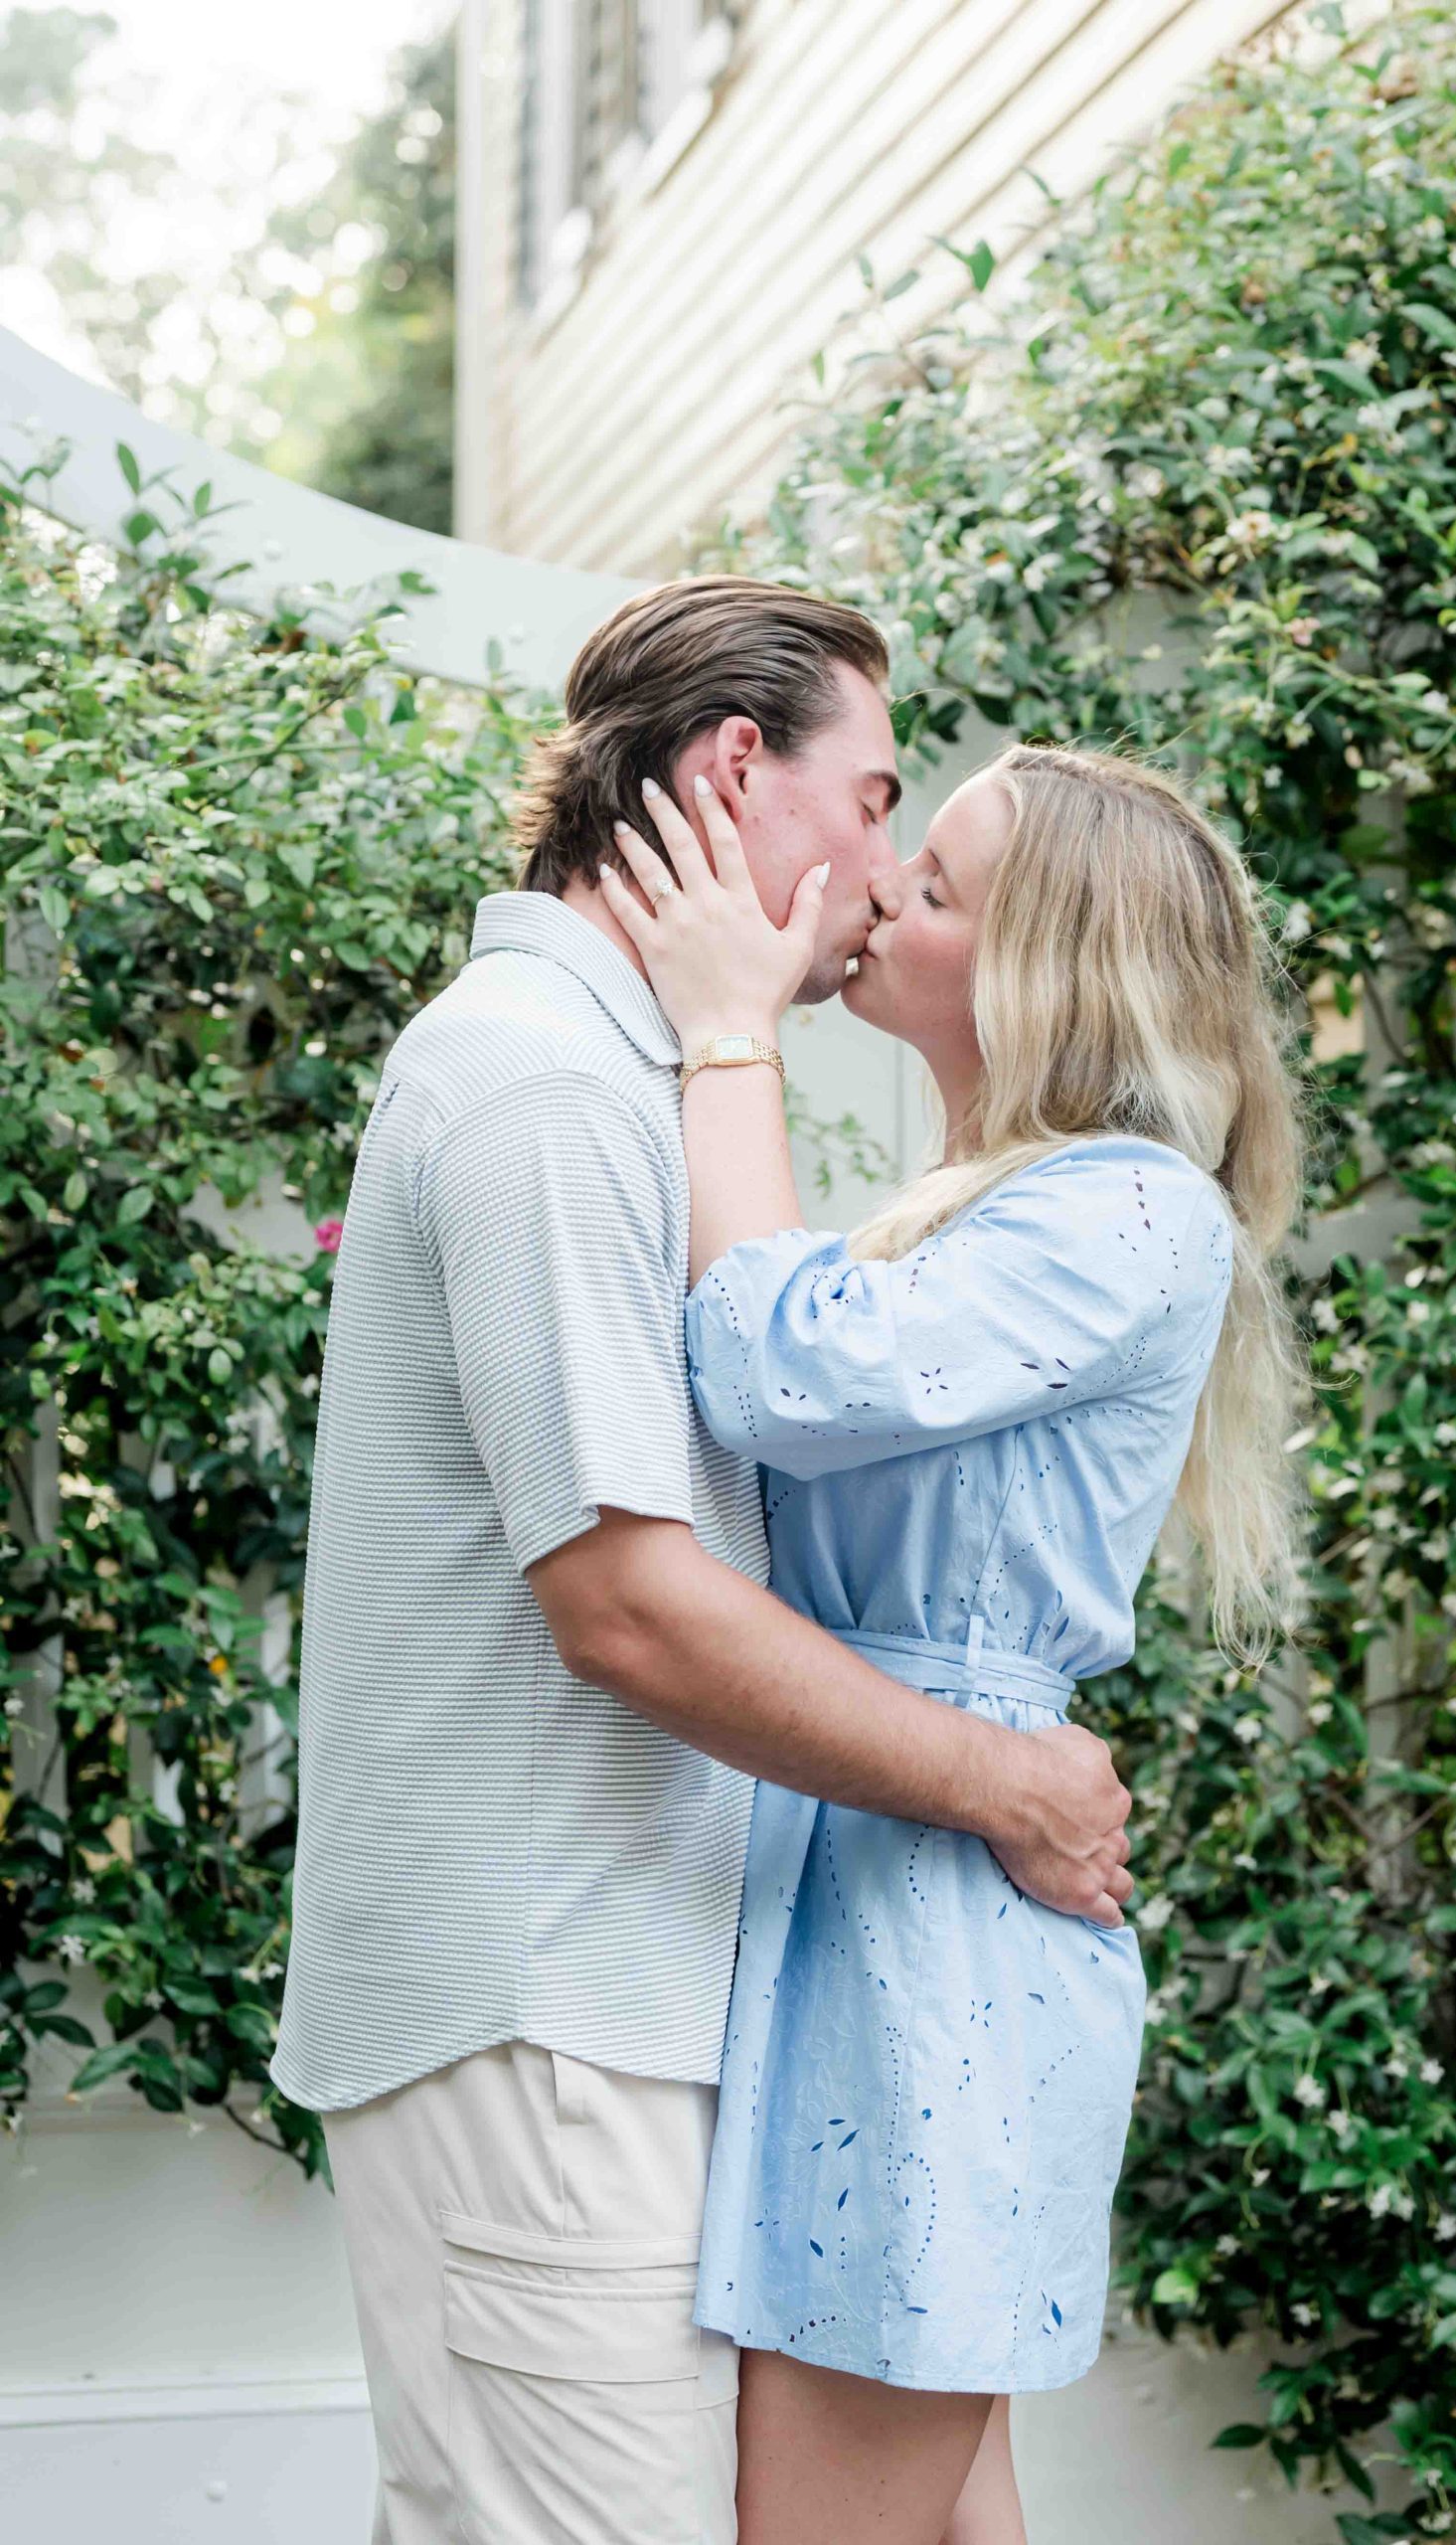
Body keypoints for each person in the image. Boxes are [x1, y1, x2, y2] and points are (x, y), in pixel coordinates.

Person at [268, 580, 1137, 2545]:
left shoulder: (634, 1073)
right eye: (874, 790)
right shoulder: (543, 1079)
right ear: (738, 767)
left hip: (635, 2002)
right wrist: (1004, 1776)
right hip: (540, 2011)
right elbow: (628, 1600)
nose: (889, 858)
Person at [595, 740, 1305, 2545]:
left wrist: (727, 1031)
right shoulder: (989, 1212)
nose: (882, 884)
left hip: (933, 1920)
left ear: (1046, 964)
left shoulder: (1134, 1209)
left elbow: (775, 1369)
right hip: (873, 1864)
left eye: (937, 884)